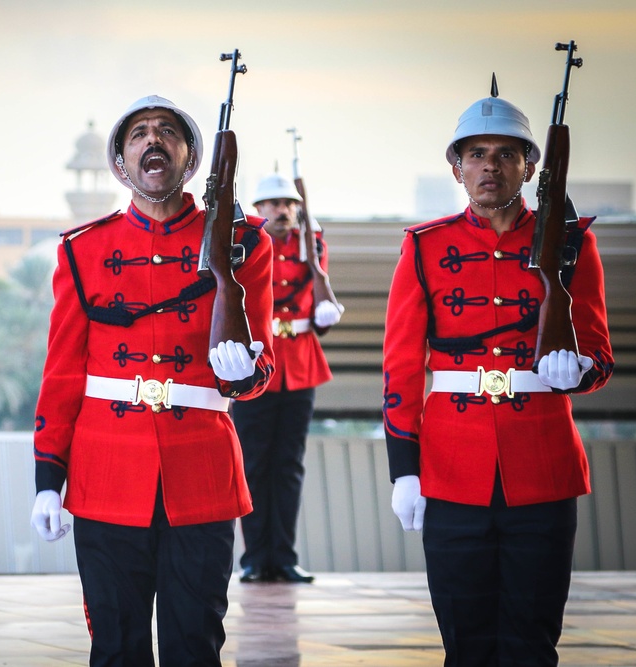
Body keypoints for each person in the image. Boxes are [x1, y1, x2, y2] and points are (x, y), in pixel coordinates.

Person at [30, 95, 275, 666]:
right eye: (138, 134)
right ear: (120, 162)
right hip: (105, 471)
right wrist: (48, 476)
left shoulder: (247, 244)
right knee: (116, 645)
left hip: (202, 470)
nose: (152, 141)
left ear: (191, 158)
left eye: (167, 131)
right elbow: (62, 372)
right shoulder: (82, 249)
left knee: (196, 642)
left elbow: (261, 366)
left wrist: (243, 377)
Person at [382, 87, 614, 665]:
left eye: (507, 153)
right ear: (456, 168)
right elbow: (402, 366)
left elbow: (600, 354)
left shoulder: (570, 242)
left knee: (531, 643)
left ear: (531, 165)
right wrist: (403, 471)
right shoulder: (423, 247)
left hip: (542, 464)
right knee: (465, 643)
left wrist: (577, 370)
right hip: (451, 467)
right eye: (477, 153)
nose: (491, 165)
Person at [233, 172, 343, 584]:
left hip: (298, 362)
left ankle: (284, 556)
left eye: (289, 204)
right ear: (258, 209)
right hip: (259, 361)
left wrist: (325, 313)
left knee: (289, 465)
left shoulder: (311, 245)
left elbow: (318, 301)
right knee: (255, 464)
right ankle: (255, 559)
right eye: (274, 204)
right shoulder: (247, 243)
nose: (283, 211)